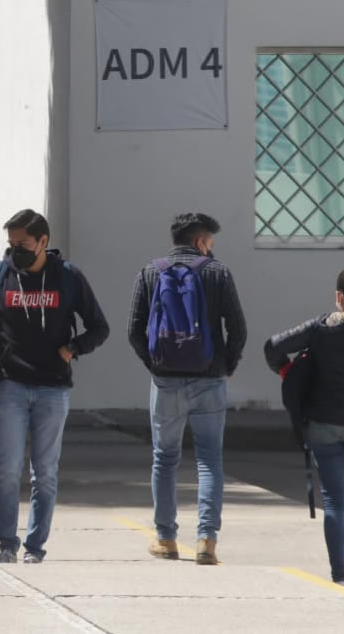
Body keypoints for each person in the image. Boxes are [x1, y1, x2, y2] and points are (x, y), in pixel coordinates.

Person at [0, 209, 110, 564]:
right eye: (11, 244)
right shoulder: (0, 275)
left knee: (44, 472)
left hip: (53, 388)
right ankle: (6, 545)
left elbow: (98, 327)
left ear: (43, 241)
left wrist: (72, 349)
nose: (16, 250)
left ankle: (35, 547)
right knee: (7, 468)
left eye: (23, 244)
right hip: (10, 386)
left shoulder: (68, 277)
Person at [126, 212, 247, 566]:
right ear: (200, 241)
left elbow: (134, 330)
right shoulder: (218, 272)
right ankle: (206, 541)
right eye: (210, 242)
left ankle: (165, 538)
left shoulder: (151, 271)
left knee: (165, 459)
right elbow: (238, 329)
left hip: (166, 382)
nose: (211, 249)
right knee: (209, 460)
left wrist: (156, 366)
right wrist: (226, 366)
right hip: (210, 379)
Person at [264, 268, 344, 594]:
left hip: (324, 423)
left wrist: (287, 370)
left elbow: (273, 345)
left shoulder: (321, 328)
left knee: (334, 501)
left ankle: (338, 576)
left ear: (340, 297)